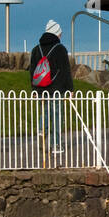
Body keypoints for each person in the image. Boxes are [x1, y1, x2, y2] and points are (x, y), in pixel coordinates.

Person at [29, 19, 73, 155]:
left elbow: (32, 70)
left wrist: (34, 89)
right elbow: (65, 71)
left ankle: (42, 130)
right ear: (56, 33)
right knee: (57, 115)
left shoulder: (36, 49)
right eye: (60, 33)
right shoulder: (60, 49)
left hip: (41, 88)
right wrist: (70, 89)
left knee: (46, 111)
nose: (61, 36)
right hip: (56, 88)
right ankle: (56, 145)